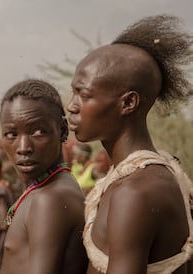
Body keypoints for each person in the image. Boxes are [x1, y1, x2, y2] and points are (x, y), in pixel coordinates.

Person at [67, 15, 193, 273]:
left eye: (84, 95)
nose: (72, 106)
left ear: (128, 103)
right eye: (74, 92)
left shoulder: (136, 191)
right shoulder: (132, 177)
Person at [0, 79, 88, 274]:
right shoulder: (49, 188)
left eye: (38, 132)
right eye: (11, 134)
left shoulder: (49, 200)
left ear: (63, 131)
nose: (23, 148)